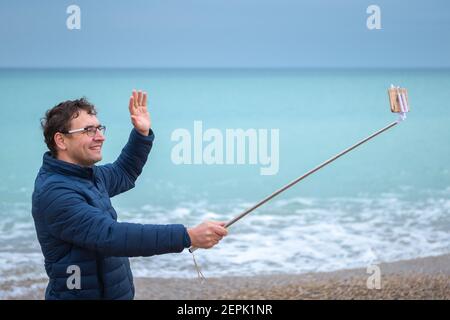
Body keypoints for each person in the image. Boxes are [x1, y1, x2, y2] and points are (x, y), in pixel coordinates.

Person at [31, 90, 228, 300]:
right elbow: (110, 235)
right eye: (89, 130)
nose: (100, 136)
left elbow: (123, 172)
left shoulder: (88, 176)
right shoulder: (55, 193)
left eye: (99, 128)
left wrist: (141, 134)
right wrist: (187, 236)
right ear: (61, 140)